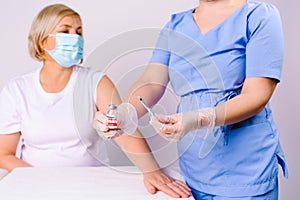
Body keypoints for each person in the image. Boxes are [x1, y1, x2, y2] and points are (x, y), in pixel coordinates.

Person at [94, 0, 288, 199]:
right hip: (194, 169)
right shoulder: (175, 26)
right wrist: (125, 113)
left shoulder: (258, 16)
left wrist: (199, 118)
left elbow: (257, 95)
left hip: (247, 169)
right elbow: (152, 81)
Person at [0, 4, 192, 198]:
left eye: (79, 32)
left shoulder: (95, 81)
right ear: (42, 41)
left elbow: (123, 128)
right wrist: (42, 178)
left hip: (89, 183)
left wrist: (152, 171)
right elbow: (4, 154)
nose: (74, 38)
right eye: (65, 31)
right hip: (35, 185)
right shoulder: (17, 90)